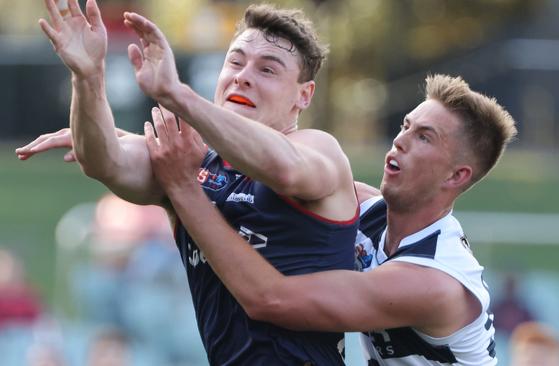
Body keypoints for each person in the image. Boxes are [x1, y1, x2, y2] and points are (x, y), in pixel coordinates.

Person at [22, 1, 358, 365]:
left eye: (267, 70)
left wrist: (176, 93)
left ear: (303, 95)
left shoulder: (318, 148)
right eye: (235, 61)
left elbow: (284, 169)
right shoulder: (188, 161)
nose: (243, 76)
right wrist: (87, 77)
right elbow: (106, 160)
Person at [143, 74, 517, 365]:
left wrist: (183, 185)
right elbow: (272, 170)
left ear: (456, 176)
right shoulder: (370, 211)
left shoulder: (434, 282)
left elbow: (270, 299)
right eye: (405, 125)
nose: (400, 140)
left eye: (424, 137)